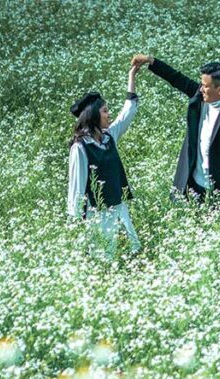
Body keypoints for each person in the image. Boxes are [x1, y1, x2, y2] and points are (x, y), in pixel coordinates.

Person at [130, 54, 220, 201]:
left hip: (218, 192)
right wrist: (151, 61)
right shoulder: (200, 98)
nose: (201, 89)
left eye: (205, 86)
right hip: (191, 185)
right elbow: (177, 78)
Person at [67, 62, 144, 261]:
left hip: (118, 208)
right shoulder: (80, 148)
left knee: (132, 255)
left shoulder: (109, 137)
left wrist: (132, 76)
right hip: (98, 216)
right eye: (105, 111)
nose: (109, 114)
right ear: (93, 115)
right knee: (106, 259)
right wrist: (77, 221)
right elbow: (76, 187)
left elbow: (127, 112)